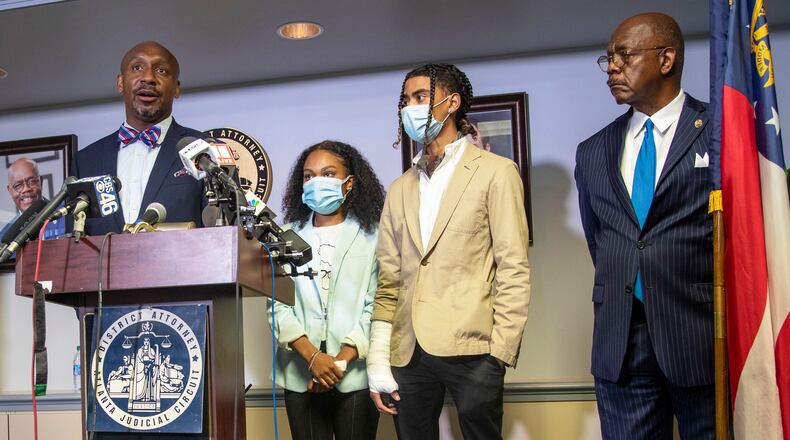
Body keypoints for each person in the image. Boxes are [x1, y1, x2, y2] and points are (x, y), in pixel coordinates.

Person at [367, 63, 531, 440]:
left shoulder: (496, 172)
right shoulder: (399, 189)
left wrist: (500, 353)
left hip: (474, 349)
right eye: (406, 99)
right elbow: (388, 280)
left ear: (452, 102)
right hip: (407, 352)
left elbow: (513, 267)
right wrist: (379, 358)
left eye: (421, 97)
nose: (410, 107)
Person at [574, 13, 714, 439]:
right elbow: (601, 241)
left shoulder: (720, 132)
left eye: (625, 54)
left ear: (667, 58)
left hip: (700, 339)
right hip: (621, 343)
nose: (612, 66)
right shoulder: (593, 151)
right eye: (609, 58)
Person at [268, 140, 385, 440]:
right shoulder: (286, 236)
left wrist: (339, 362)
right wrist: (312, 358)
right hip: (299, 373)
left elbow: (378, 305)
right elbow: (278, 306)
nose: (317, 182)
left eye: (328, 173)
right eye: (309, 176)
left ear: (349, 183)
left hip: (354, 375)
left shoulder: (374, 237)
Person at [71, 41, 206, 235]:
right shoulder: (85, 161)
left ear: (176, 88)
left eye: (161, 70)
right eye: (137, 68)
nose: (148, 78)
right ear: (120, 82)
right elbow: (71, 246)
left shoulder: (204, 149)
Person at [1, 157, 65, 241]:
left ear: (40, 182)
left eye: (32, 181)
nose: (26, 189)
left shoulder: (65, 216)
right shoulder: (5, 236)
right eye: (18, 185)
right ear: (10, 191)